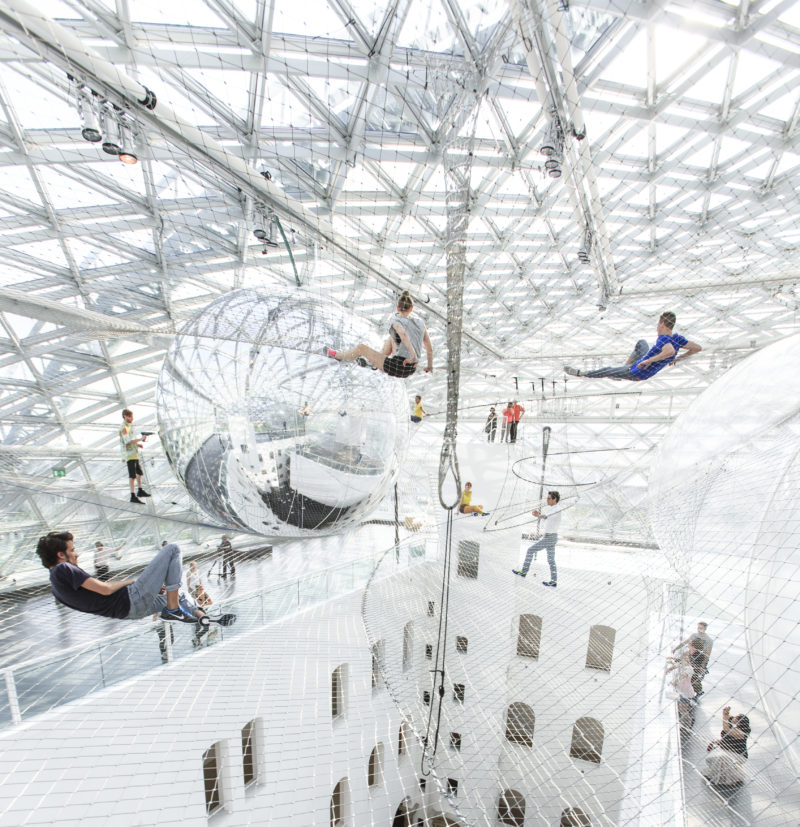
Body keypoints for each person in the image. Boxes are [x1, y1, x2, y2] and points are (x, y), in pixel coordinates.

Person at [36, 531, 204, 624]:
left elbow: (98, 595)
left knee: (174, 595)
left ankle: (202, 617)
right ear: (60, 555)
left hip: (129, 612)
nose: (76, 554)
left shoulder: (56, 588)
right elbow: (105, 589)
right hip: (131, 598)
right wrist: (133, 581)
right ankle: (173, 609)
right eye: (72, 550)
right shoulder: (63, 569)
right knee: (173, 549)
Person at [325, 291, 433, 379]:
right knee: (392, 338)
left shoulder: (396, 320)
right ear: (412, 308)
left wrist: (413, 356)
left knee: (361, 348)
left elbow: (404, 335)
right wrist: (429, 366)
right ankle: (373, 364)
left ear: (398, 308)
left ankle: (339, 356)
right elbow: (429, 348)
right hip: (411, 368)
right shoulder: (420, 323)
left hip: (399, 367)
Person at [564, 312, 702, 380]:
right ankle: (622, 368)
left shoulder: (663, 338)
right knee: (641, 343)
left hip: (637, 371)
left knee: (607, 370)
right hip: (639, 363)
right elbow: (697, 348)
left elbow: (669, 351)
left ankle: (581, 373)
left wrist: (649, 360)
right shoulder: (677, 338)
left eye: (657, 324)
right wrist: (678, 358)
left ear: (662, 324)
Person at [513, 491, 561, 586]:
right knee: (551, 560)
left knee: (530, 550)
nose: (547, 500)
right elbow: (547, 518)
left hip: (550, 538)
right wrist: (539, 515)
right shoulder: (553, 509)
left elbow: (547, 516)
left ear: (554, 499)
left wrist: (539, 515)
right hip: (551, 537)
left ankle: (524, 571)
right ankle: (554, 581)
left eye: (549, 498)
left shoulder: (557, 509)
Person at [703, 706, 750, 786]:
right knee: (713, 758)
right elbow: (728, 716)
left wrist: (724, 716)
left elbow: (726, 730)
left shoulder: (742, 734)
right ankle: (723, 775)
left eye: (736, 717)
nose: (733, 718)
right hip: (726, 749)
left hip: (738, 754)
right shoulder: (733, 722)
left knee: (722, 758)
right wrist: (726, 712)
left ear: (739, 723)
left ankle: (727, 779)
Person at [674, 622, 714, 696]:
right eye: (698, 628)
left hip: (700, 659)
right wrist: (676, 649)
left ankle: (696, 690)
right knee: (689, 673)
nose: (699, 630)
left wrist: (703, 665)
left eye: (701, 628)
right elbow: (685, 642)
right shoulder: (694, 635)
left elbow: (707, 654)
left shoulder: (709, 640)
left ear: (705, 629)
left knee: (695, 676)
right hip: (692, 656)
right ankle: (690, 690)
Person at [120, 409, 151, 504]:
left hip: (134, 454)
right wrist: (140, 439)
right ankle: (132, 495)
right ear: (125, 416)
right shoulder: (124, 427)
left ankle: (140, 490)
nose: (132, 419)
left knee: (139, 472)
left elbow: (131, 440)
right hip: (129, 455)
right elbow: (127, 441)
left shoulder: (129, 427)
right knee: (132, 475)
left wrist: (138, 444)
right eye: (130, 417)